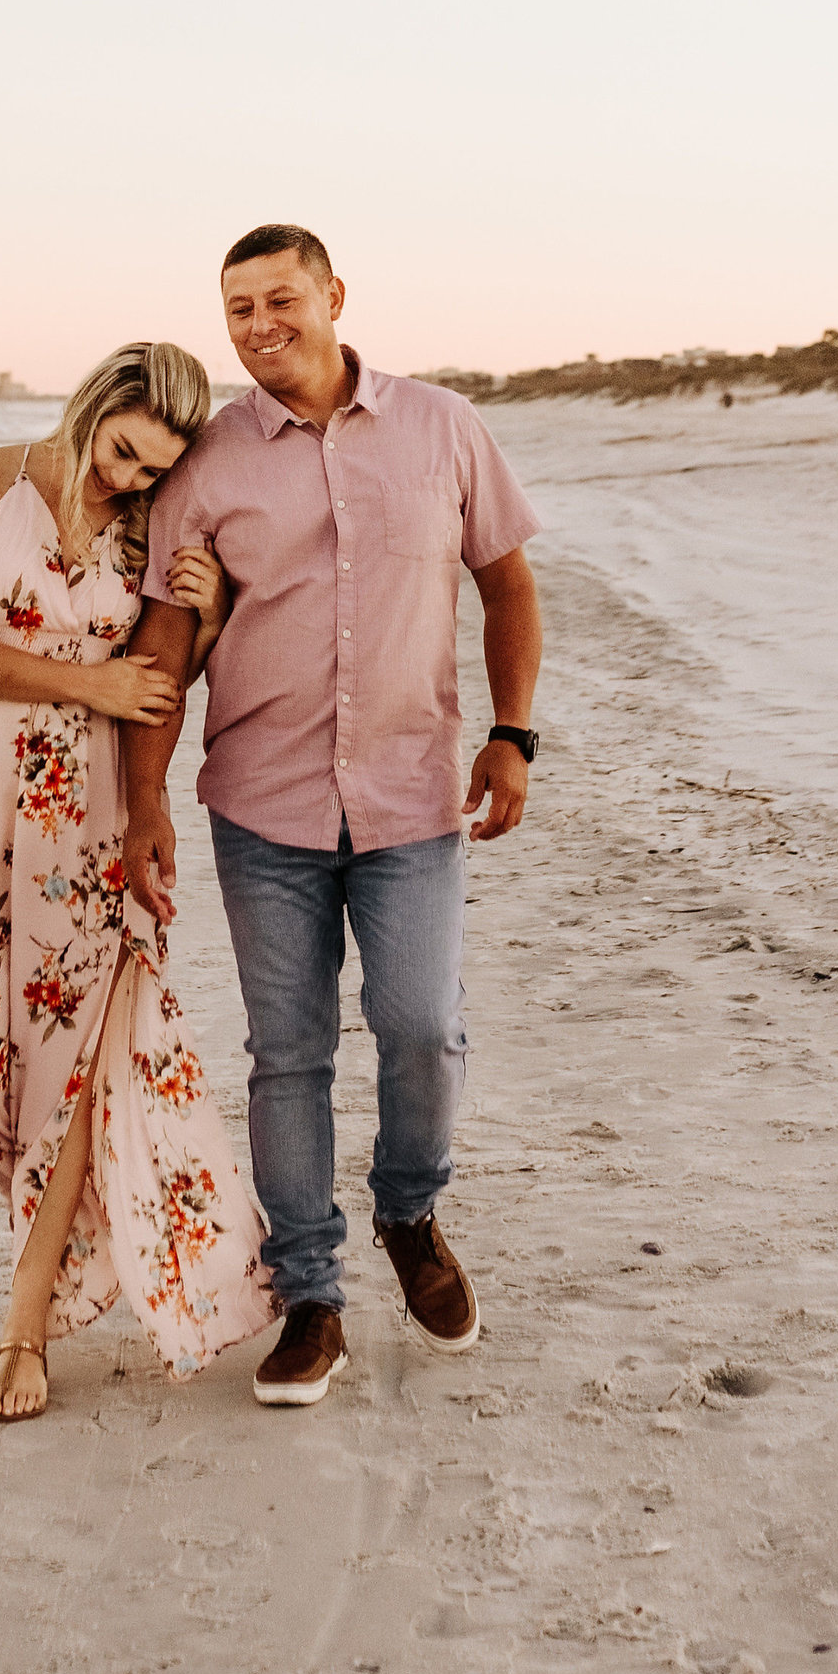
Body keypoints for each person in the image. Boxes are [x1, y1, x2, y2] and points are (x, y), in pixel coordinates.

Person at [121, 227, 544, 1408]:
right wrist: (143, 799)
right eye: (237, 308)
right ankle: (310, 1293)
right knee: (287, 1054)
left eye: (279, 299)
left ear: (334, 296)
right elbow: (166, 638)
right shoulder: (205, 461)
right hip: (261, 801)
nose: (259, 326)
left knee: (420, 1025)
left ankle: (409, 1212)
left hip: (413, 795)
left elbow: (504, 575)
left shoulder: (442, 425)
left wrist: (512, 730)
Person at [0, 340, 276, 1420]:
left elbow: (151, 687)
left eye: (154, 471)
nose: (128, 480)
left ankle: (24, 1331)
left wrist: (208, 618)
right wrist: (85, 677)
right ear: (88, 409)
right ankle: (59, 1229)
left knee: (67, 1063)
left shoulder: (149, 530)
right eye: (121, 453)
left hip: (87, 816)